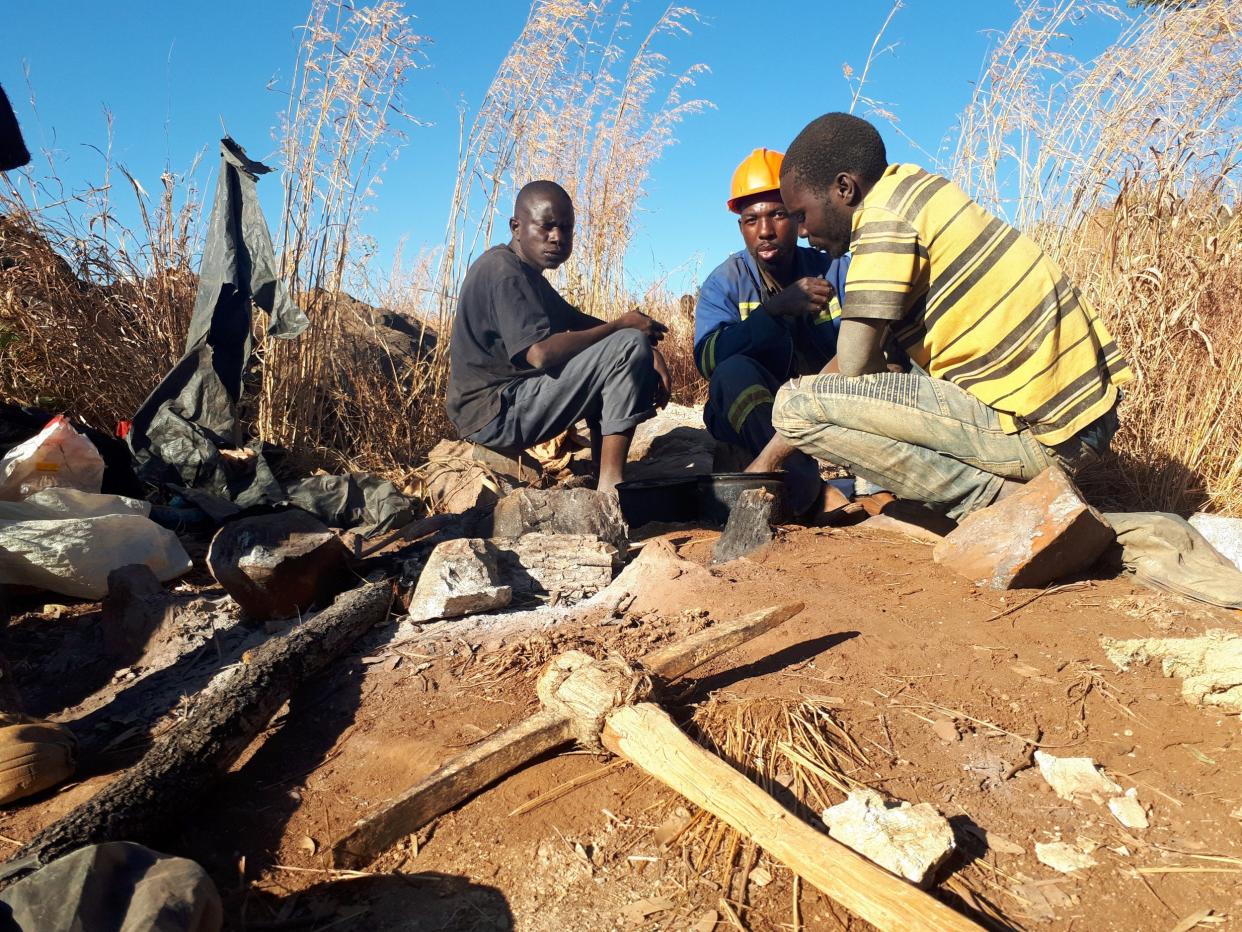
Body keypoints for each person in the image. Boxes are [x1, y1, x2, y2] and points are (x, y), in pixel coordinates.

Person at [762, 112, 1132, 521]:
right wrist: (766, 462)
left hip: (1043, 434)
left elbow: (851, 366)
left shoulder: (883, 217)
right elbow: (853, 362)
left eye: (800, 215)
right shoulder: (919, 192)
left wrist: (776, 452)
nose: (798, 231)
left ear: (844, 189)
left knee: (792, 403)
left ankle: (1007, 504)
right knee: (868, 382)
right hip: (1079, 420)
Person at [446, 180, 671, 493]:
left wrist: (645, 343)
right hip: (494, 413)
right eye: (547, 227)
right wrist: (625, 330)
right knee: (625, 348)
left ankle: (598, 470)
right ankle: (611, 487)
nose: (558, 238)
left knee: (628, 349)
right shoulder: (503, 271)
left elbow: (576, 321)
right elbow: (540, 353)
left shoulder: (527, 274)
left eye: (567, 229)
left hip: (506, 405)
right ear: (516, 226)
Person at [693, 148, 852, 515]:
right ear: (741, 227)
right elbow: (707, 359)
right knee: (732, 372)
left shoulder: (834, 268)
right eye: (751, 220)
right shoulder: (725, 283)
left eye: (777, 215)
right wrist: (773, 312)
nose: (764, 231)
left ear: (798, 217)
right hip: (754, 414)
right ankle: (799, 485)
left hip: (827, 405)